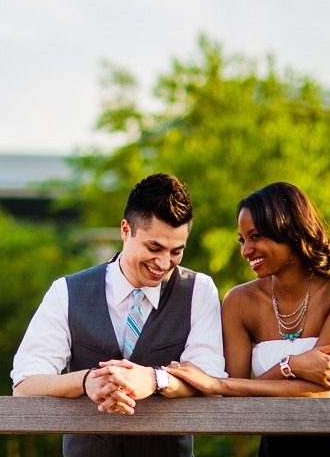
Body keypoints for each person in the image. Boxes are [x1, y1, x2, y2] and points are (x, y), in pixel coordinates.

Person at [11, 172, 226, 457]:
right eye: (154, 247)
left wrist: (154, 379)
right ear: (126, 230)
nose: (163, 263)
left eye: (176, 251)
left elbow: (210, 378)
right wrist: (87, 381)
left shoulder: (199, 290)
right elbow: (25, 385)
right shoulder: (66, 291)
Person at [166, 181, 330, 457]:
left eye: (256, 236)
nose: (246, 250)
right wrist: (293, 366)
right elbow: (238, 399)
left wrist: (221, 384)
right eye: (242, 240)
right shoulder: (239, 302)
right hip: (277, 441)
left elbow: (320, 391)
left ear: (290, 231)